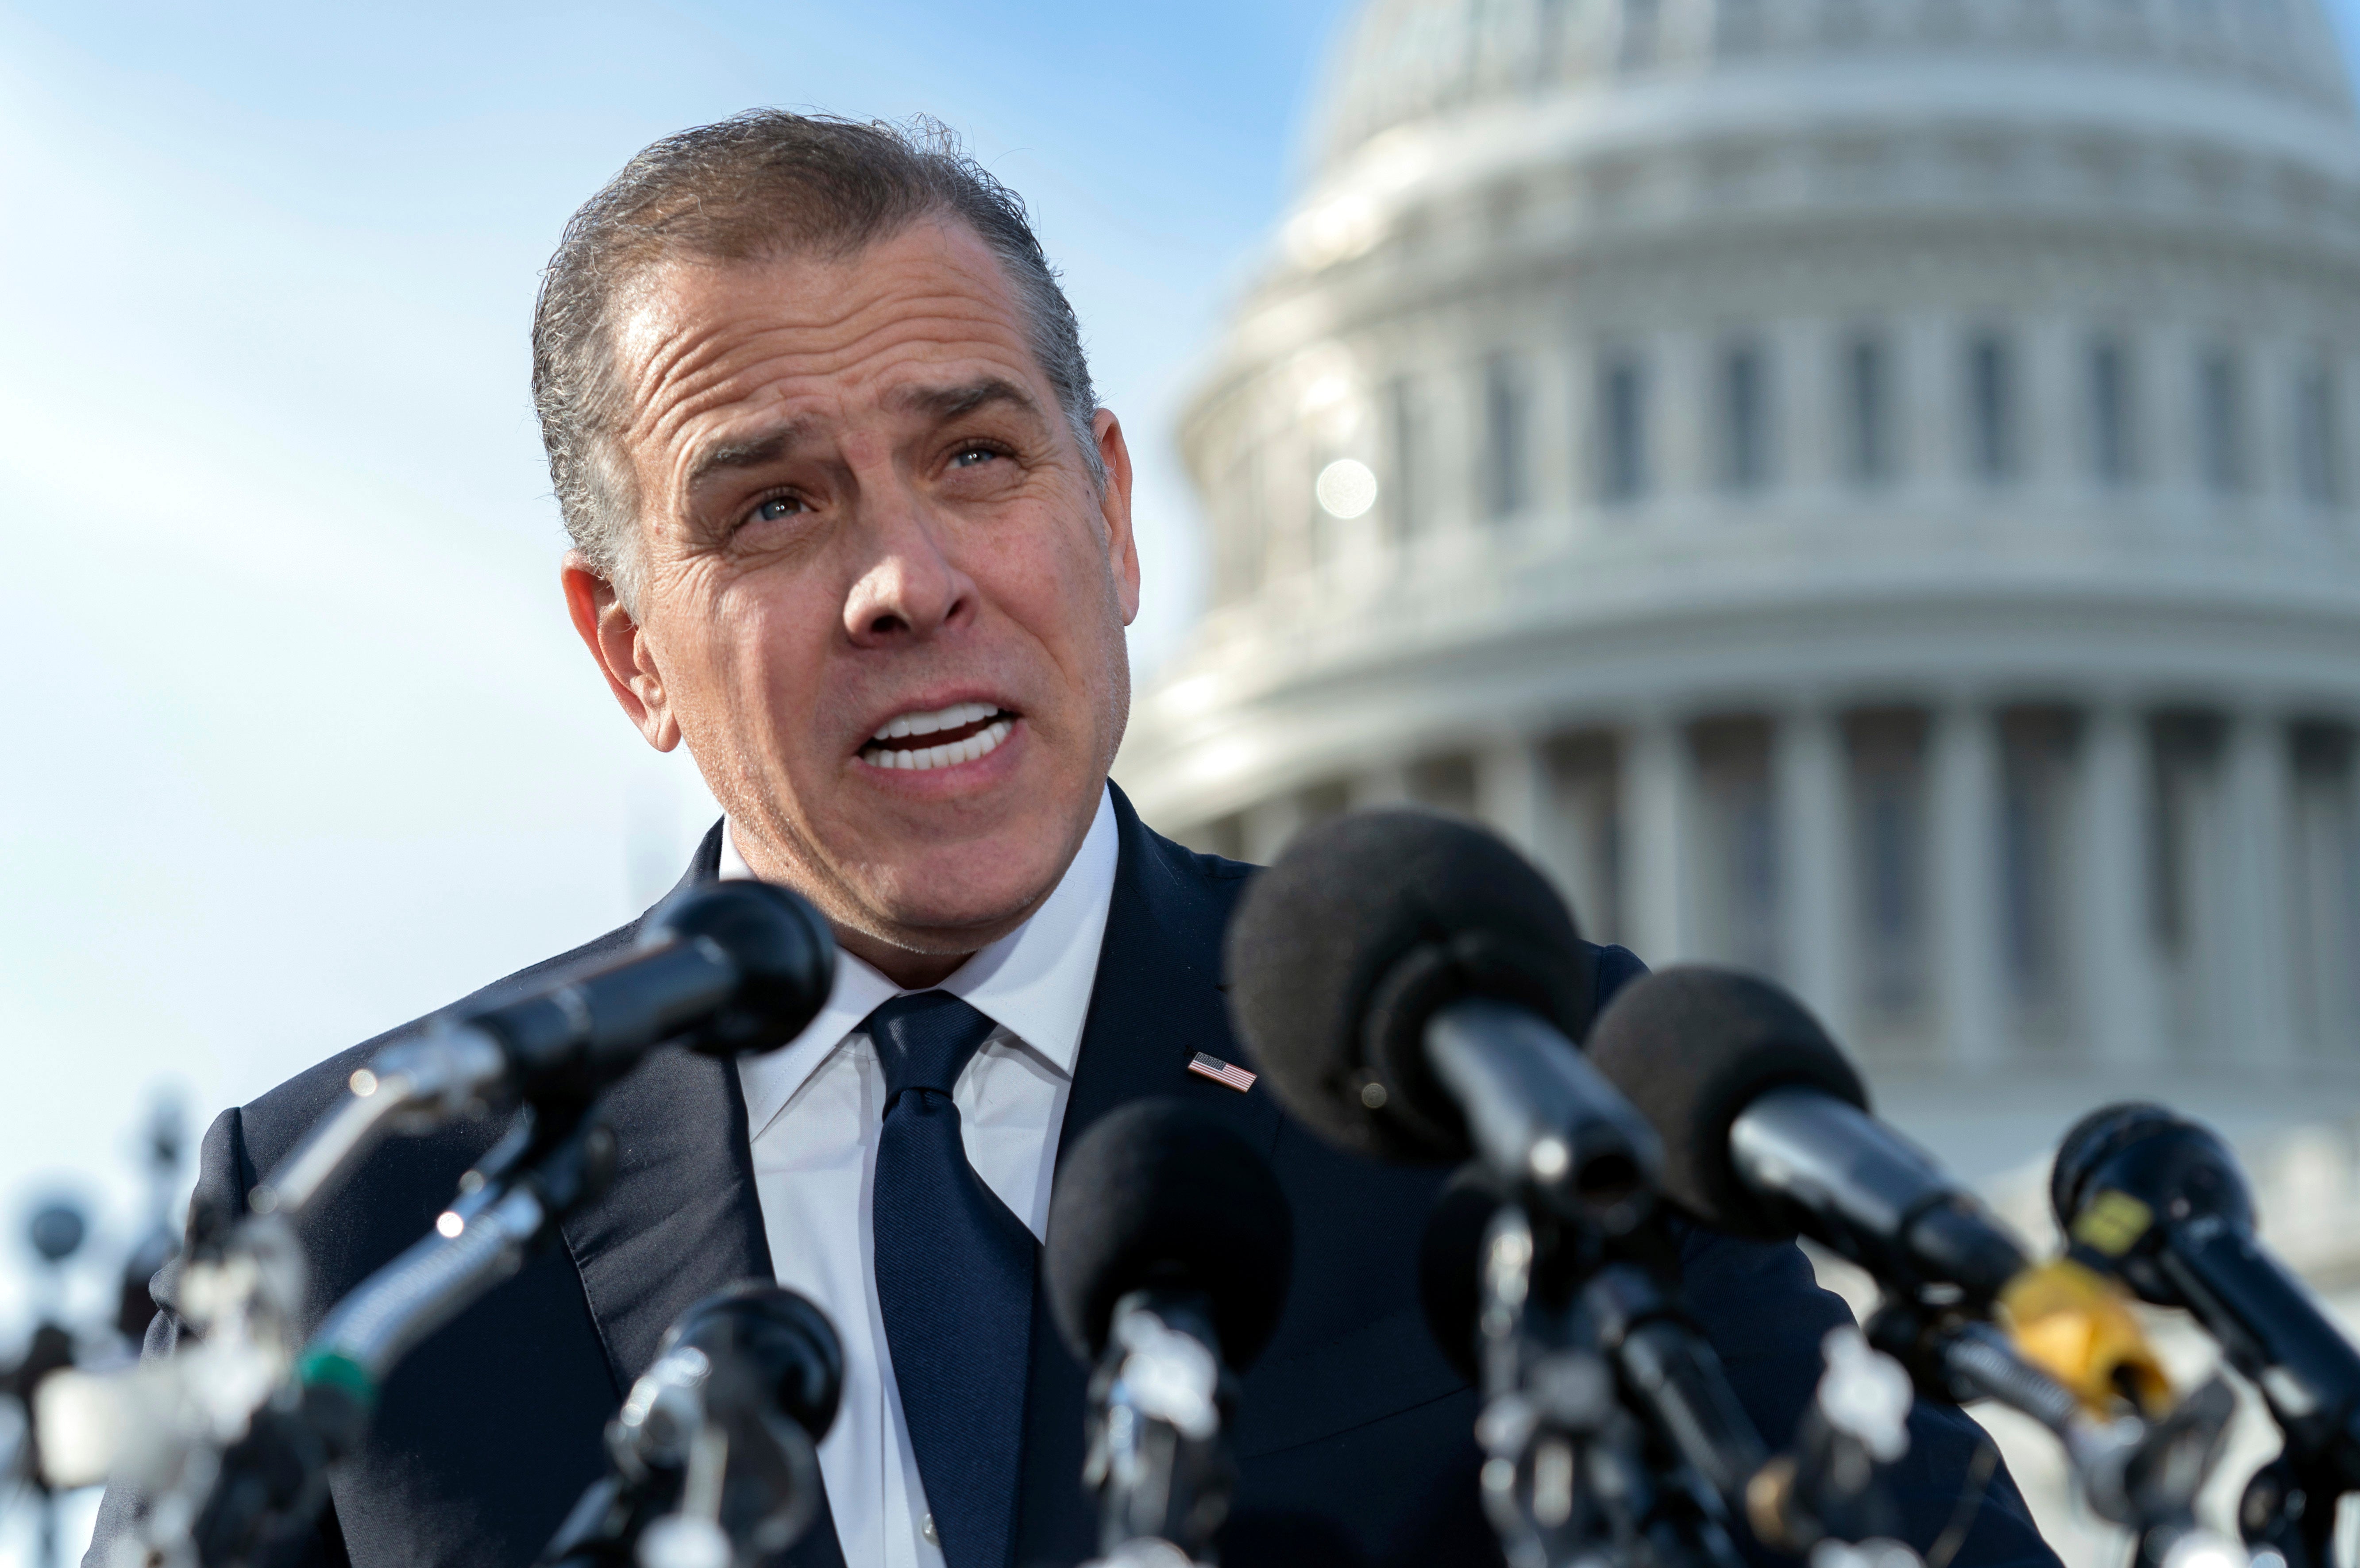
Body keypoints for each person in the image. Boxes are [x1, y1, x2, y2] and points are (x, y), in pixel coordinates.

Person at [91, 112, 2058, 1568]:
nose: (906, 580)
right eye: (770, 507)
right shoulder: (356, 1213)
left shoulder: (1523, 1099)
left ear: (1111, 516)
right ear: (630, 652)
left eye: (974, 457)